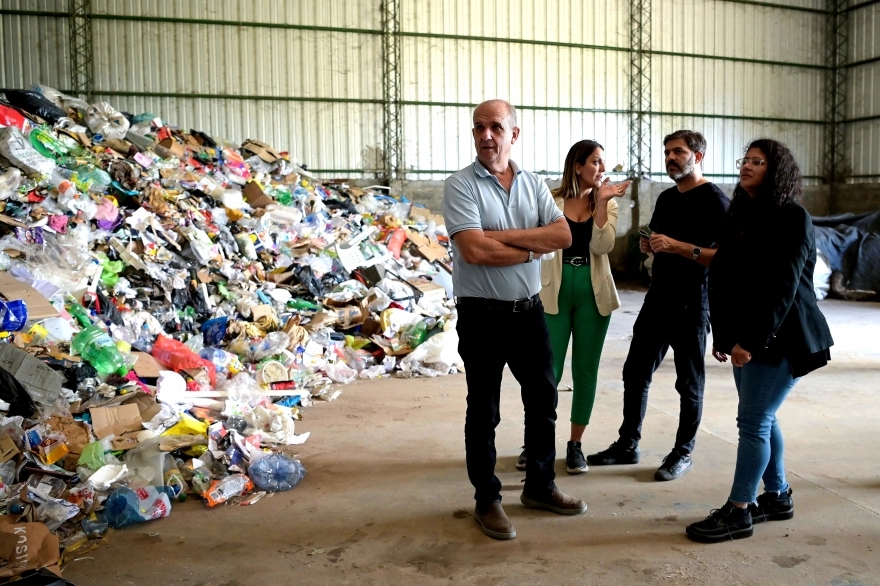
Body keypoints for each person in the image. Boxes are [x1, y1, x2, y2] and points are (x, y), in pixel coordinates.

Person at [442, 99, 586, 541]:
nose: (487, 135)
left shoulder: (533, 184)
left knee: (543, 402)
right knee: (484, 410)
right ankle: (487, 498)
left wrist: (499, 238)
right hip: (481, 315)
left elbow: (563, 234)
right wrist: (529, 249)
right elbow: (474, 251)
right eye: (479, 127)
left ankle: (540, 487)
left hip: (529, 312)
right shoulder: (460, 185)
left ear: (513, 134)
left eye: (496, 127)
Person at [685, 139, 833, 543]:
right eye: (744, 160)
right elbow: (724, 277)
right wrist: (724, 334)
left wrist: (750, 340)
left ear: (776, 169)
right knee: (762, 418)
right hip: (746, 336)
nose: (746, 166)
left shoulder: (793, 217)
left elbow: (783, 289)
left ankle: (739, 510)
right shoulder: (741, 214)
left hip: (784, 335)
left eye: (757, 161)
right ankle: (779, 496)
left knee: (753, 422)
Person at [587, 130, 729, 481]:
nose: (670, 157)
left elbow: (726, 259)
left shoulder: (717, 201)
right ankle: (628, 443)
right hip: (657, 299)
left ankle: (682, 453)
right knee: (635, 373)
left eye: (678, 152)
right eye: (667, 152)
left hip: (692, 303)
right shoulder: (667, 198)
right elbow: (654, 237)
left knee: (689, 383)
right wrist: (650, 246)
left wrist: (679, 247)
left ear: (698, 156)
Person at [517, 140, 631, 474]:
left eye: (604, 163)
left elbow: (603, 245)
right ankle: (536, 442)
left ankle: (575, 445)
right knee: (546, 372)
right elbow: (538, 241)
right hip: (553, 289)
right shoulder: (550, 199)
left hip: (593, 292)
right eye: (596, 162)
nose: (602, 169)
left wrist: (601, 204)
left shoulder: (606, 203)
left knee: (585, 370)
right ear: (578, 166)